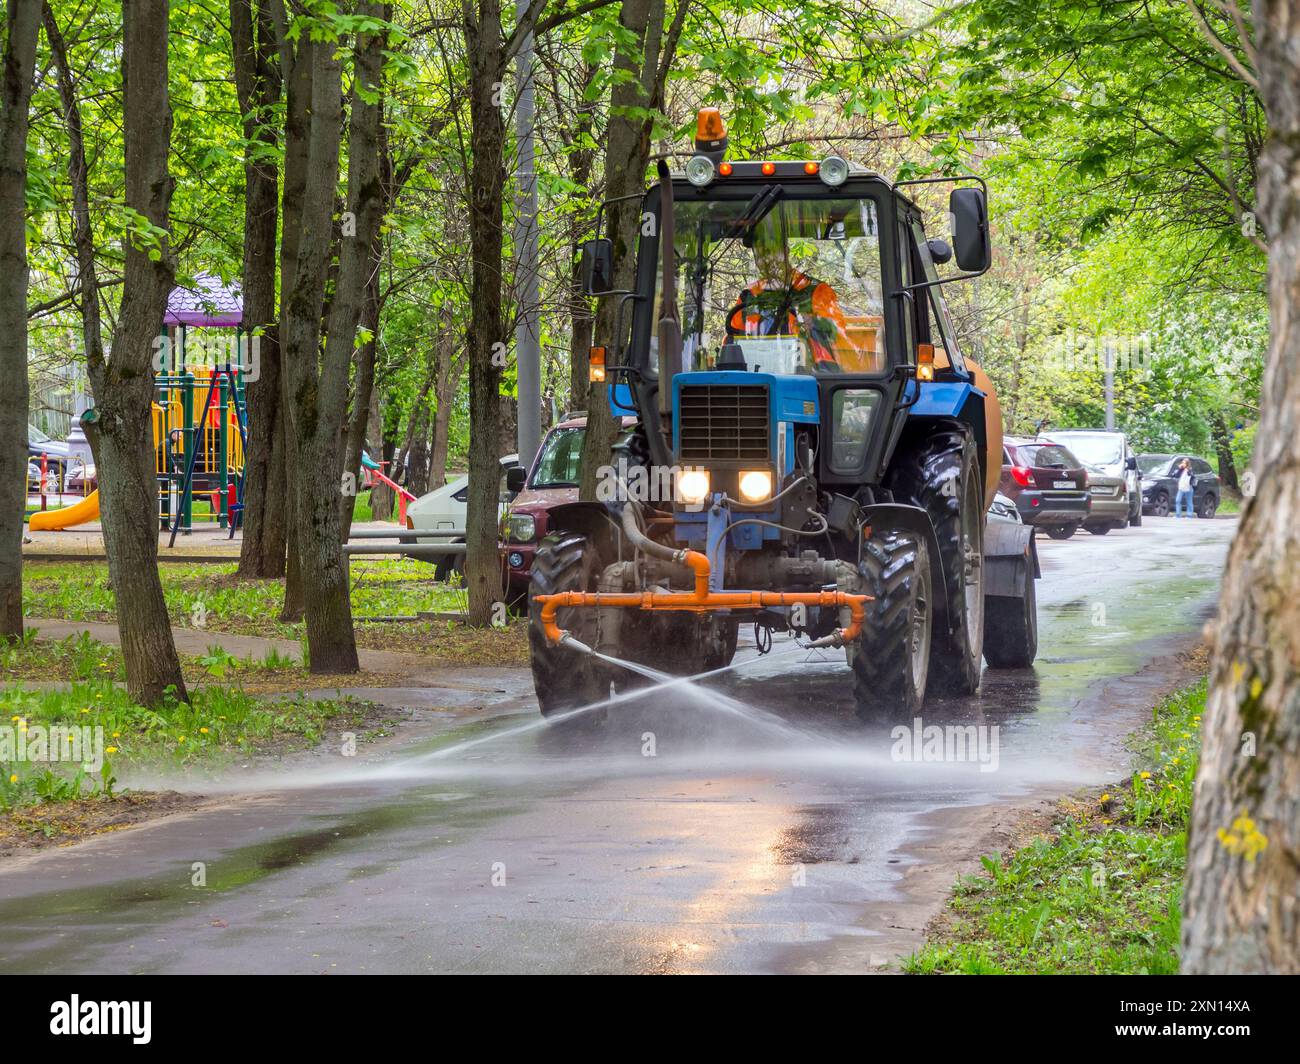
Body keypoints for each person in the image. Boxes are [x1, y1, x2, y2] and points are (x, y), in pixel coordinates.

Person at [726, 220, 849, 371]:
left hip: (814, 379)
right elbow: (732, 341)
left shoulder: (816, 292)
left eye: (772, 251)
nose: (767, 260)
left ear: (786, 251)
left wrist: (813, 324)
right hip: (760, 380)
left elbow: (838, 337)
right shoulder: (748, 296)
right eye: (760, 254)